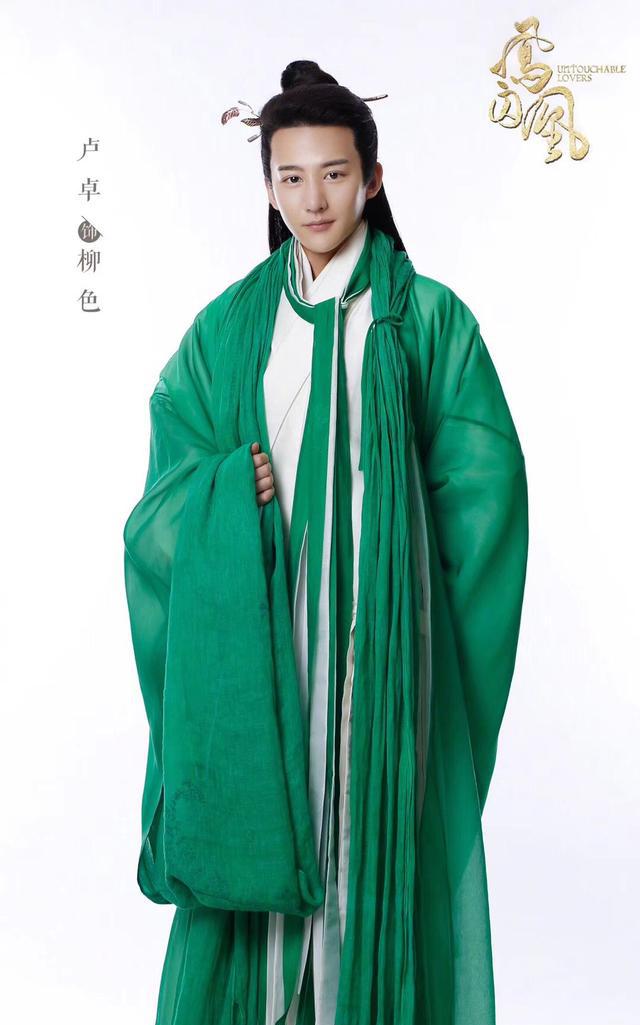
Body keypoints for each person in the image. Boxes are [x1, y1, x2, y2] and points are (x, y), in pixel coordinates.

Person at [122, 59, 529, 1025]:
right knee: (269, 819)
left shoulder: (424, 320)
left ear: (373, 179)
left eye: (335, 174)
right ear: (268, 186)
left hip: (381, 646)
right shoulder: (232, 326)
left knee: (363, 830)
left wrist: (411, 596)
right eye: (292, 177)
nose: (314, 199)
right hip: (264, 635)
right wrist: (226, 493)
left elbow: (487, 494)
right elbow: (166, 487)